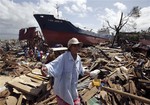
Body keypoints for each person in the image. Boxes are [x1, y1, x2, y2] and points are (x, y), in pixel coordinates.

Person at [41, 37, 100, 105]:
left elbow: (81, 70)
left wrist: (90, 73)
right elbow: (53, 65)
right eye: (74, 46)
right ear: (70, 47)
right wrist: (46, 68)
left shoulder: (78, 59)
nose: (76, 47)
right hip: (62, 91)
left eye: (77, 46)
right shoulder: (63, 58)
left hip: (73, 91)